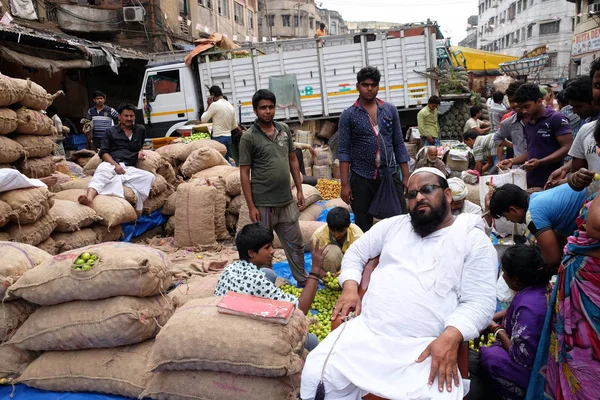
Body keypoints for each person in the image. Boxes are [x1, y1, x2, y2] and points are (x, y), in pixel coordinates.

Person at [300, 167, 498, 400]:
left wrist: (452, 336)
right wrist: (351, 287)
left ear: (446, 195)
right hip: (369, 333)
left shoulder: (472, 239)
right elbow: (356, 253)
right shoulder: (393, 226)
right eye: (411, 194)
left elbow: (481, 301)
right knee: (316, 373)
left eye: (427, 189)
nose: (418, 198)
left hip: (425, 346)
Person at [527, 190, 600, 399]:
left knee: (584, 363)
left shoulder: (536, 212)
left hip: (588, 292)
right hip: (581, 288)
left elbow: (594, 226)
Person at [239, 89, 308, 286]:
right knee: (263, 251)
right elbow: (244, 173)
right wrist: (251, 206)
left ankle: (302, 281)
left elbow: (293, 159)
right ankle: (262, 285)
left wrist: (300, 189)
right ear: (255, 111)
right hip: (263, 205)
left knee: (296, 245)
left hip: (286, 201)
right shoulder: (249, 137)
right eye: (263, 108)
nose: (267, 111)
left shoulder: (284, 130)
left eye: (271, 107)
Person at [469, 245, 551, 400]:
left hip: (534, 370)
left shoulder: (529, 309)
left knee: (489, 356)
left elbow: (519, 355)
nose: (503, 276)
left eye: (504, 272)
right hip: (545, 356)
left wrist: (496, 329)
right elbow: (511, 310)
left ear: (515, 280)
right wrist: (491, 317)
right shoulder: (540, 289)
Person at [338, 66, 410, 232]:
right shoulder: (349, 115)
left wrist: (406, 175)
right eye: (365, 85)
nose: (369, 89)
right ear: (358, 86)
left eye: (373, 85)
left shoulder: (389, 110)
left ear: (378, 86)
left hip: (389, 174)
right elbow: (344, 151)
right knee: (363, 224)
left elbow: (398, 143)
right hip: (361, 176)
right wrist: (344, 184)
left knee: (400, 220)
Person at [487, 183, 586, 270]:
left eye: (505, 216)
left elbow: (553, 258)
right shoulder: (535, 196)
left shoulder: (532, 215)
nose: (509, 220)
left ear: (513, 210)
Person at [78, 103, 155, 212]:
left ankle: (133, 204)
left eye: (131, 116)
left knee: (149, 177)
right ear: (119, 117)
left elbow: (140, 145)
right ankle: (89, 198)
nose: (129, 119)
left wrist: (140, 151)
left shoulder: (140, 130)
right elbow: (103, 152)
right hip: (111, 164)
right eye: (126, 116)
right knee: (101, 173)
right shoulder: (110, 131)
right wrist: (115, 165)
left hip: (128, 168)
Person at [498, 83, 572, 189]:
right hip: (531, 180)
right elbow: (531, 150)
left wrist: (540, 162)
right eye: (521, 107)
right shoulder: (530, 123)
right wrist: (512, 161)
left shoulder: (556, 119)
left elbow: (567, 147)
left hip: (552, 180)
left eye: (527, 107)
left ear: (539, 101)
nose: (523, 111)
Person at [546, 64, 600, 192]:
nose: (574, 112)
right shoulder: (587, 127)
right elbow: (578, 167)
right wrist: (567, 174)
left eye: (579, 107)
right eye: (597, 86)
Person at [310, 207, 363, 273]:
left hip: (351, 266)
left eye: (341, 231)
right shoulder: (318, 236)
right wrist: (325, 277)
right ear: (328, 225)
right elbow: (315, 264)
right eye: (333, 231)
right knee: (332, 252)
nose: (337, 235)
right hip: (329, 270)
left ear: (349, 225)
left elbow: (361, 259)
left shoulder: (357, 235)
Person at [493, 81, 527, 166]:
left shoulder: (541, 121)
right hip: (518, 170)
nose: (515, 104)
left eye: (517, 100)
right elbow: (497, 138)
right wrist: (514, 146)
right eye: (511, 101)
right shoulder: (508, 121)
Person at [201, 85, 238, 162]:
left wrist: (208, 105)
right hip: (228, 138)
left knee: (219, 162)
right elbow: (235, 125)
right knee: (226, 160)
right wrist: (226, 129)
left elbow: (203, 119)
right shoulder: (230, 106)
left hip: (218, 138)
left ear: (213, 95)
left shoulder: (214, 105)